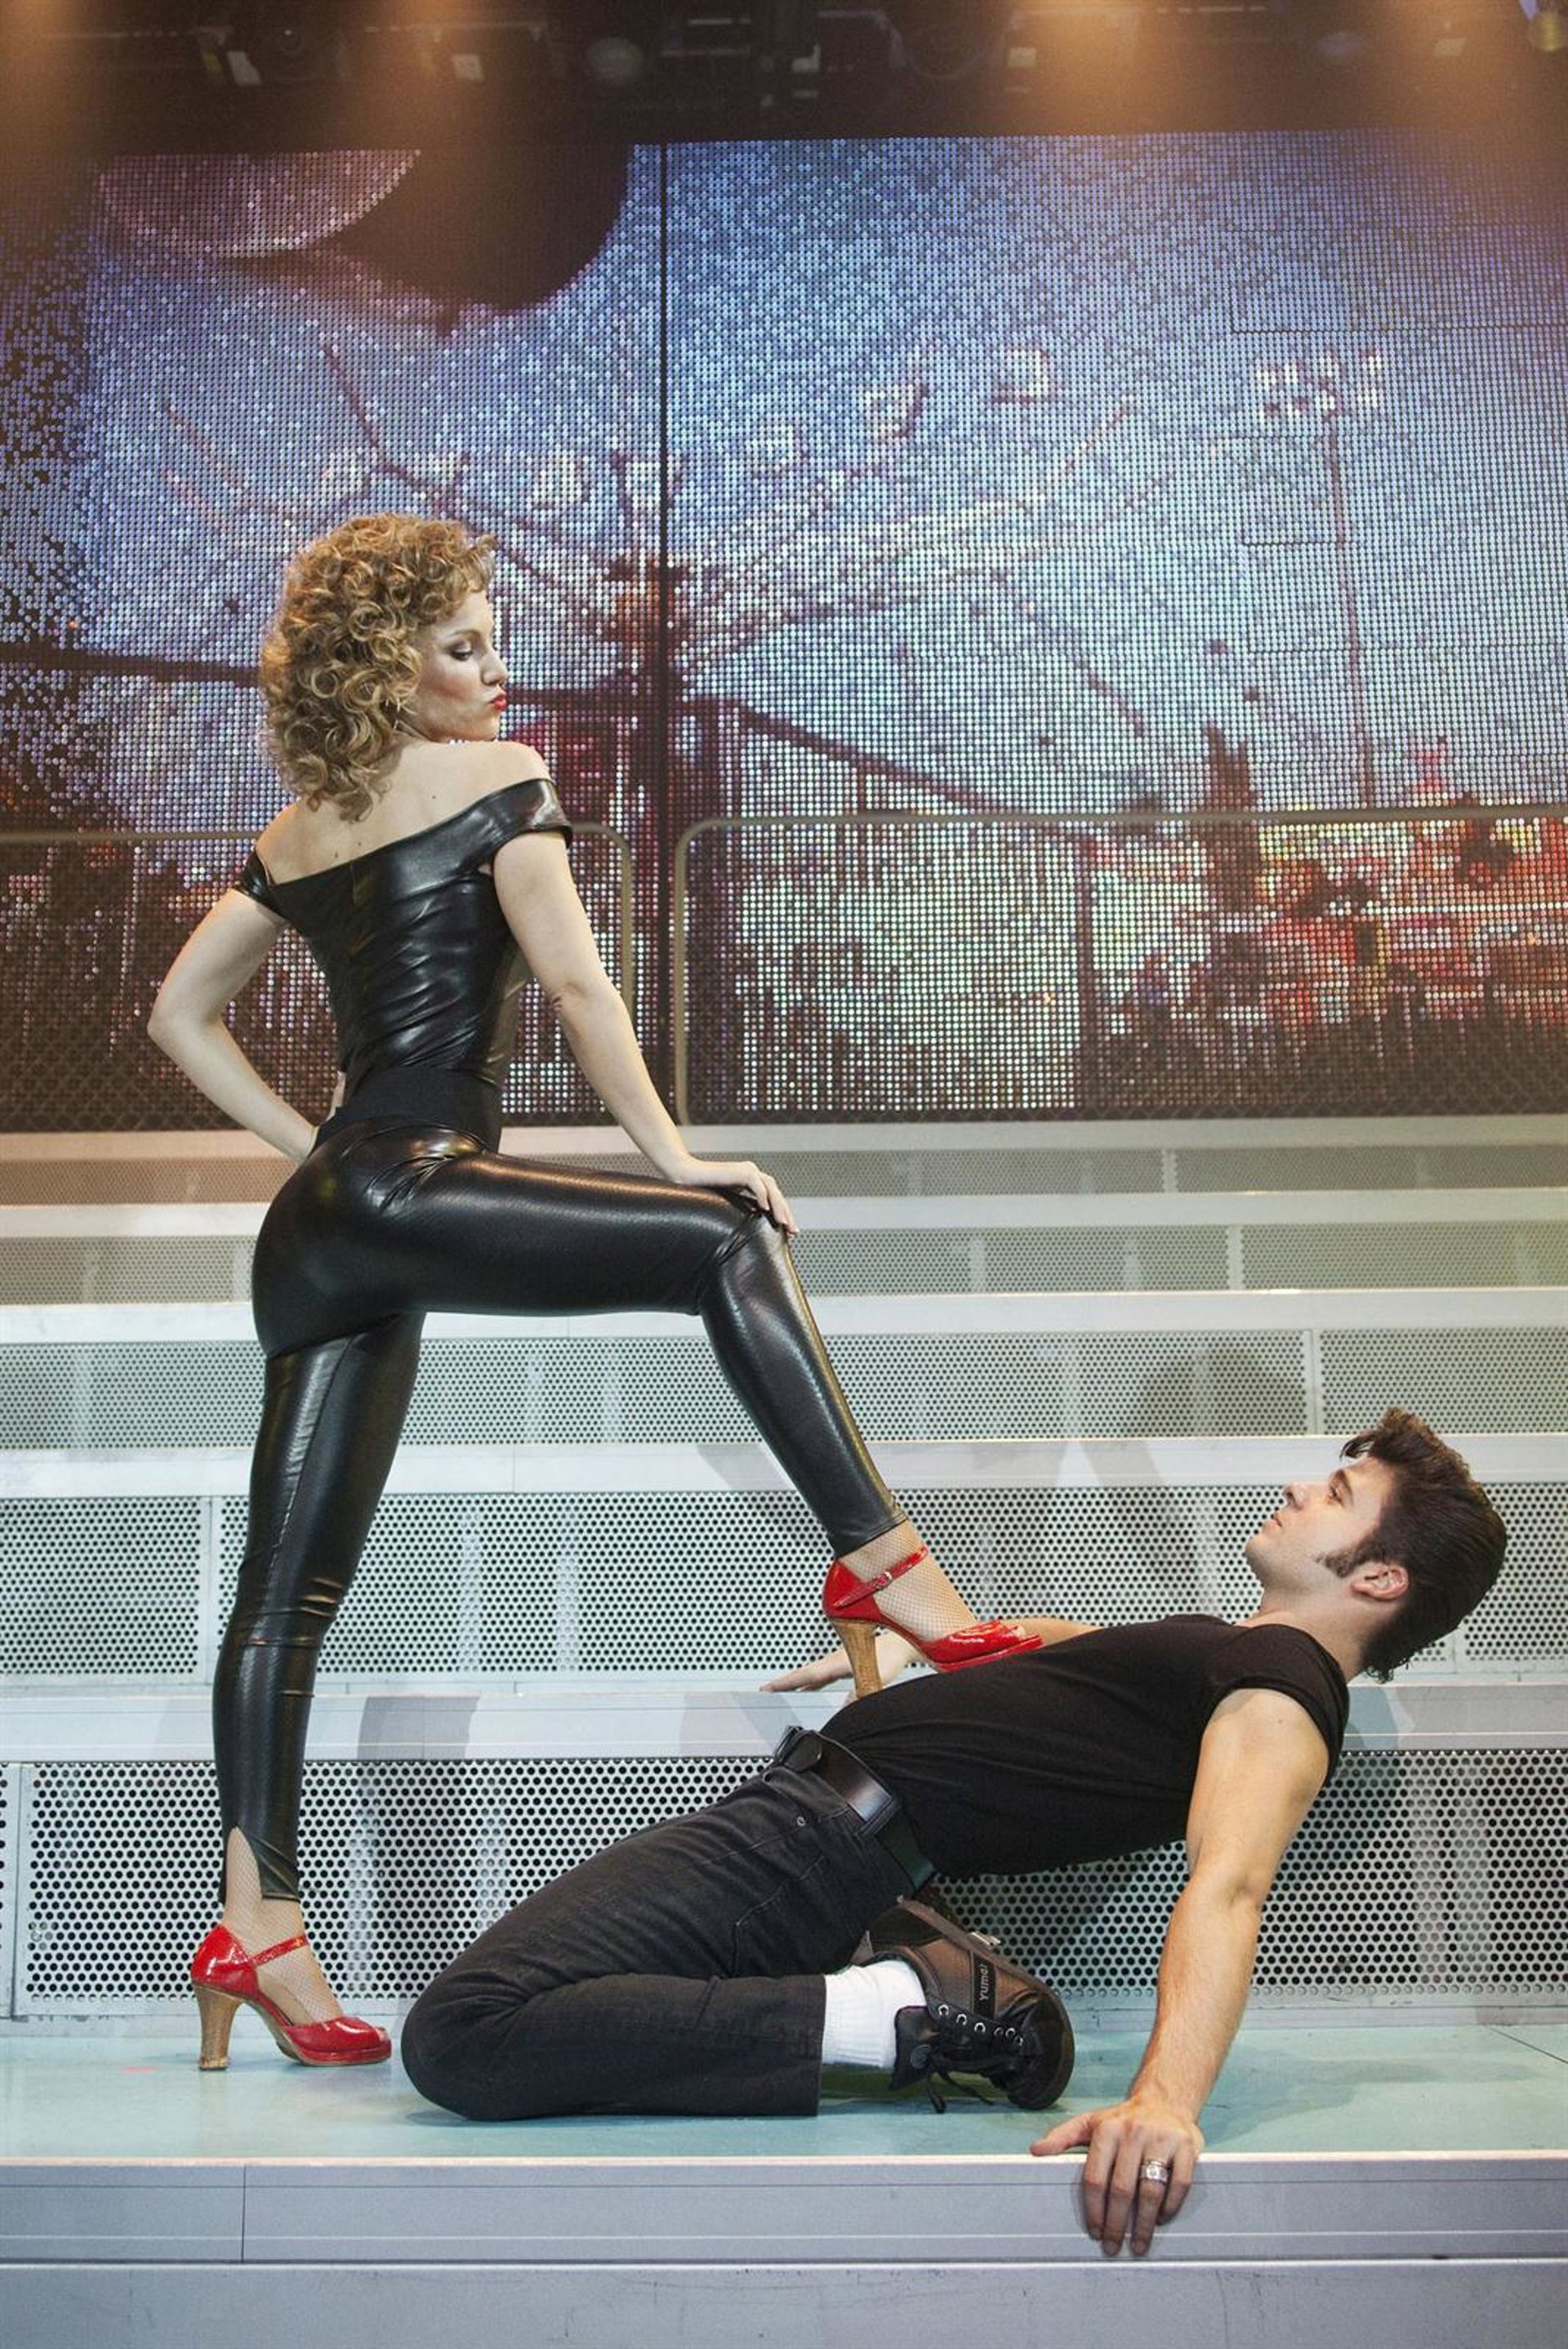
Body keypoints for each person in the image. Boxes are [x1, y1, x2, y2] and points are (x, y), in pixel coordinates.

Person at [147, 513, 1036, 2075]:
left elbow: (176, 1015)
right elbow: (575, 984)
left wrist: (314, 1157)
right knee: (722, 1241)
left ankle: (253, 1926)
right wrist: (682, 1159)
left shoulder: (300, 828)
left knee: (280, 1604)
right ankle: (888, 1571)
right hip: (401, 1185)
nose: (497, 671)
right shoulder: (499, 783)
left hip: (321, 1231)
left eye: (495, 641)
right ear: (390, 665)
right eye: (463, 646)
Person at [400, 1410, 1506, 2260]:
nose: (1299, 1488)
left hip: (811, 1846)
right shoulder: (1242, 1651)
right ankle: (906, 2003)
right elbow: (1081, 1664)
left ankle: (908, 2014)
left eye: (1337, 1494)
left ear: (1379, 1576)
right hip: (818, 1838)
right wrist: (943, 1646)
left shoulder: (1285, 1695)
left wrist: (1166, 2101)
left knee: (466, 2032)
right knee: (510, 2020)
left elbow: (1229, 1886)